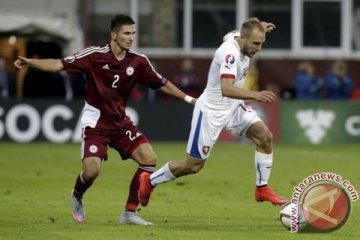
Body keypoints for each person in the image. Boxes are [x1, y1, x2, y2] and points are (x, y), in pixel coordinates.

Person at [14, 14, 196, 225]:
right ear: (114, 34)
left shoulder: (138, 61)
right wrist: (30, 62)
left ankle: (129, 213)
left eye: (133, 33)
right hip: (96, 123)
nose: (131, 38)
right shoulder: (94, 56)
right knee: (92, 171)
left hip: (120, 122)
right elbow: (58, 65)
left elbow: (161, 83)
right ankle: (77, 194)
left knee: (149, 159)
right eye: (126, 33)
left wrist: (188, 98)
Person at [138, 18, 287, 209]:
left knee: (265, 137)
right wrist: (255, 95)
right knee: (193, 166)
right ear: (242, 38)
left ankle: (262, 189)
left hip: (233, 107)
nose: (259, 48)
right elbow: (226, 88)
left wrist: (261, 28)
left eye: (262, 43)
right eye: (256, 43)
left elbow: (236, 31)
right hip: (211, 112)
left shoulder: (240, 38)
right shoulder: (230, 54)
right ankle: (149, 181)